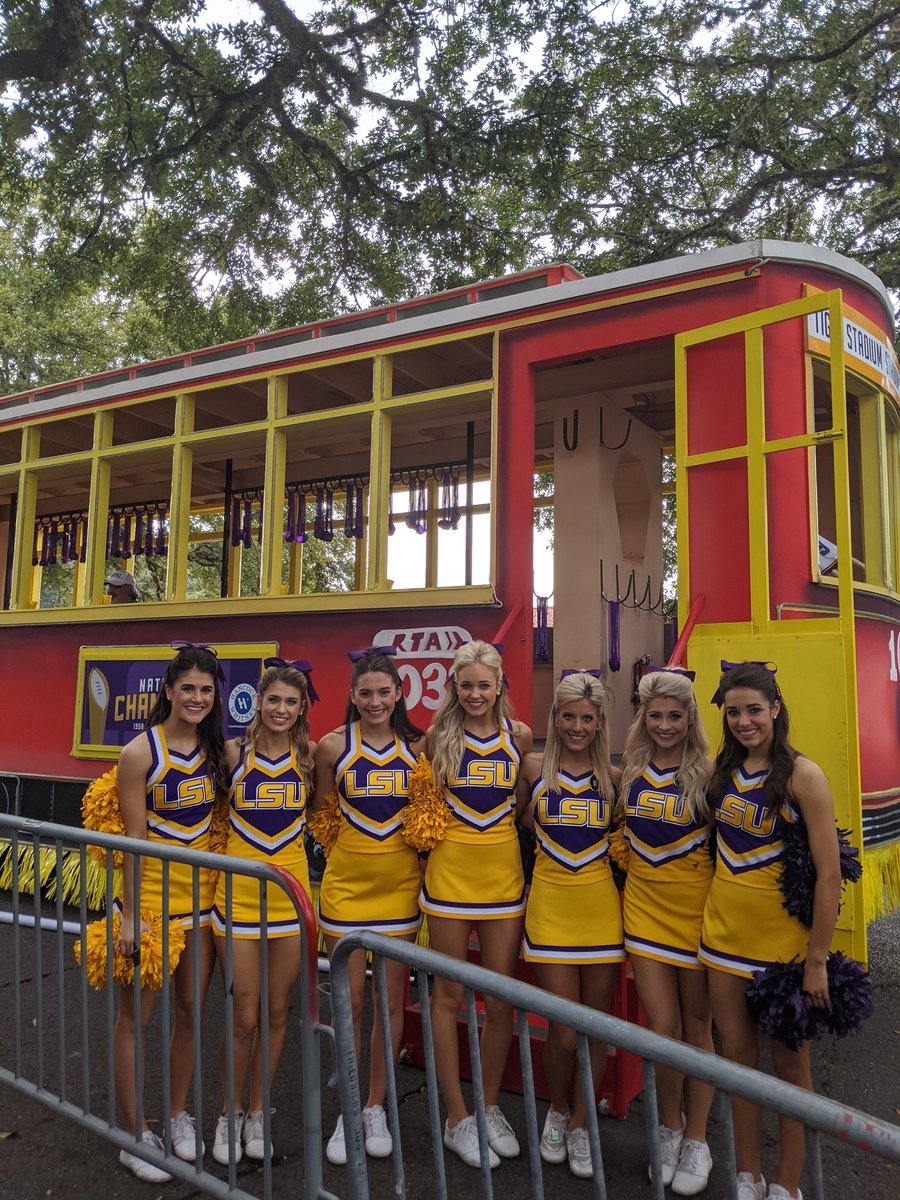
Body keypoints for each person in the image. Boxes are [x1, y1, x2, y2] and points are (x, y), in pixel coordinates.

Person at [698, 662, 841, 1200]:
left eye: (754, 710)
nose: (743, 721)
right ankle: (748, 1172)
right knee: (738, 1063)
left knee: (790, 1066)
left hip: (782, 951)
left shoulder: (805, 775)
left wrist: (817, 958)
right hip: (722, 940)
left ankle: (788, 1183)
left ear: (775, 709)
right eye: (733, 712)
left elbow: (829, 875)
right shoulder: (719, 772)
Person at [113, 643, 230, 1182]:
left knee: (190, 1013)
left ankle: (179, 1113)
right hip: (151, 907)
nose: (198, 698)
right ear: (168, 690)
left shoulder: (218, 753)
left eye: (207, 690)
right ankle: (134, 1134)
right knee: (136, 1019)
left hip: (201, 905)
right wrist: (132, 917)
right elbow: (133, 840)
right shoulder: (140, 753)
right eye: (188, 688)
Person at [310, 647, 426, 1167]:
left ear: (399, 692)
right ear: (352, 696)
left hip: (401, 887)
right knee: (350, 1001)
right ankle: (348, 1108)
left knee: (391, 1002)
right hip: (347, 886)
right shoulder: (332, 746)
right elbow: (321, 813)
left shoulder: (419, 746)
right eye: (365, 693)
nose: (375, 701)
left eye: (384, 692)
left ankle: (376, 1106)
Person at [420, 640, 533, 1170]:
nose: (474, 694)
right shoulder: (435, 738)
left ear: (499, 686)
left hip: (503, 879)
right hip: (448, 877)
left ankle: (488, 1105)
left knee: (501, 997)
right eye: (465, 685)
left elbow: (523, 807)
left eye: (484, 685)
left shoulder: (521, 737)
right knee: (448, 995)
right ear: (454, 687)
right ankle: (456, 1115)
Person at [517, 670, 624, 1181]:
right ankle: (557, 1110)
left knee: (595, 1026)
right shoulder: (533, 767)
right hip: (551, 906)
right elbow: (514, 823)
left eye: (587, 718)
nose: (577, 727)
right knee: (562, 1032)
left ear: (600, 722)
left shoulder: (616, 777)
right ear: (554, 718)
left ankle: (584, 1122)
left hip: (601, 909)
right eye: (568, 717)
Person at [210, 659, 317, 1166]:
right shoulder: (234, 752)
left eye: (290, 702)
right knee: (244, 1014)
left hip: (291, 896)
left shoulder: (311, 756)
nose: (280, 709)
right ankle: (228, 1114)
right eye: (272, 699)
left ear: (301, 710)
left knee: (278, 1012)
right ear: (258, 702)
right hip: (238, 897)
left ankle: (258, 1111)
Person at [618, 668, 715, 1195]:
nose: (664, 725)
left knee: (698, 1030)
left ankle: (698, 1139)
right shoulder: (630, 768)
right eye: (654, 715)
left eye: (674, 716)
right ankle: (669, 1126)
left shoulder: (710, 771)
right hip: (644, 909)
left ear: (690, 717)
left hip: (697, 911)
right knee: (662, 1027)